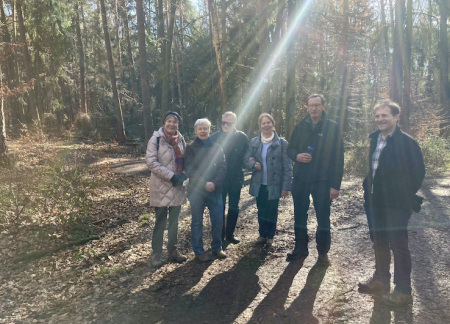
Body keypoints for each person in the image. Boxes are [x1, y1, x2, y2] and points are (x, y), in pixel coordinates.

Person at [358, 99, 425, 306]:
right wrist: (366, 187)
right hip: (375, 201)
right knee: (379, 241)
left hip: (397, 203)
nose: (380, 119)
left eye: (384, 115)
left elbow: (418, 172)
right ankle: (380, 280)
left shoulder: (408, 143)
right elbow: (374, 169)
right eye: (377, 116)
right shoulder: (374, 139)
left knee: (398, 244)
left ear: (396, 117)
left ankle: (403, 290)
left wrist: (403, 194)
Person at [286, 94, 344, 265]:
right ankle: (300, 248)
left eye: (317, 105)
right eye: (311, 105)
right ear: (307, 107)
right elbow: (290, 149)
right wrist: (297, 156)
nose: (314, 108)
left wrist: (335, 185)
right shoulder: (300, 127)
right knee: (299, 215)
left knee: (323, 217)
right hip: (301, 179)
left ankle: (323, 253)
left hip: (323, 181)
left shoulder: (332, 128)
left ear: (323, 107)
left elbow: (339, 157)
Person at [146, 112, 188, 267]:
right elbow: (151, 163)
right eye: (169, 121)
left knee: (174, 222)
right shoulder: (156, 139)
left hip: (177, 187)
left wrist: (184, 174)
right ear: (164, 123)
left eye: (175, 122)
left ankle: (173, 251)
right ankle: (156, 254)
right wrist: (171, 176)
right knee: (160, 222)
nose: (172, 124)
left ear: (178, 124)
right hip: (161, 187)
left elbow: (186, 159)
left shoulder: (181, 139)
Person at [185, 118, 228, 262]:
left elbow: (223, 167)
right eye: (200, 129)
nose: (203, 131)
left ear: (210, 130)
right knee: (197, 222)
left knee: (218, 220)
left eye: (205, 128)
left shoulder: (217, 147)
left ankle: (217, 247)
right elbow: (190, 169)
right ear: (196, 131)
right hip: (197, 191)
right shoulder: (190, 149)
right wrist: (204, 183)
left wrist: (214, 183)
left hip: (215, 190)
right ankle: (198, 251)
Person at [248, 113, 292, 248]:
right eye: (263, 123)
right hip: (259, 183)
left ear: (273, 124)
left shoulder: (282, 143)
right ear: (260, 126)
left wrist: (286, 187)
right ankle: (262, 235)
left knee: (272, 211)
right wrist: (253, 164)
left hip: (275, 184)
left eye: (268, 122)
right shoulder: (254, 142)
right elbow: (247, 159)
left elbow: (288, 166)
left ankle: (270, 237)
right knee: (261, 210)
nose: (266, 125)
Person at [210, 111, 250, 244]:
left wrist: (253, 165)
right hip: (219, 179)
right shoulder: (214, 137)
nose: (225, 125)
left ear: (235, 123)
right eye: (223, 122)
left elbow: (247, 156)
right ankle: (219, 236)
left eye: (229, 123)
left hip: (236, 178)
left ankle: (230, 235)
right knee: (219, 208)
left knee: (234, 207)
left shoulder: (242, 137)